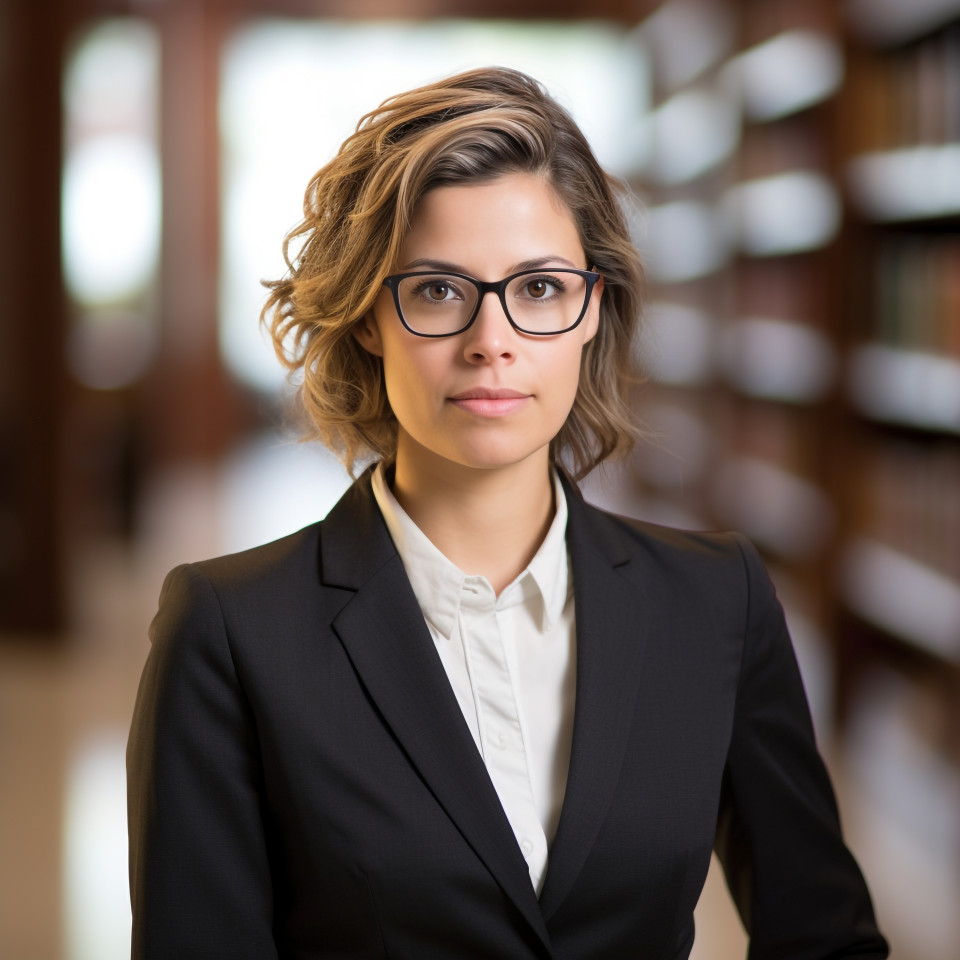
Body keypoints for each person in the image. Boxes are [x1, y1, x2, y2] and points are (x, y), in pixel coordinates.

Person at [126, 67, 888, 959]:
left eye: (538, 289)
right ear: (371, 315)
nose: (493, 341)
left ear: (592, 309)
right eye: (440, 290)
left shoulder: (717, 604)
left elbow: (826, 940)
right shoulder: (231, 632)